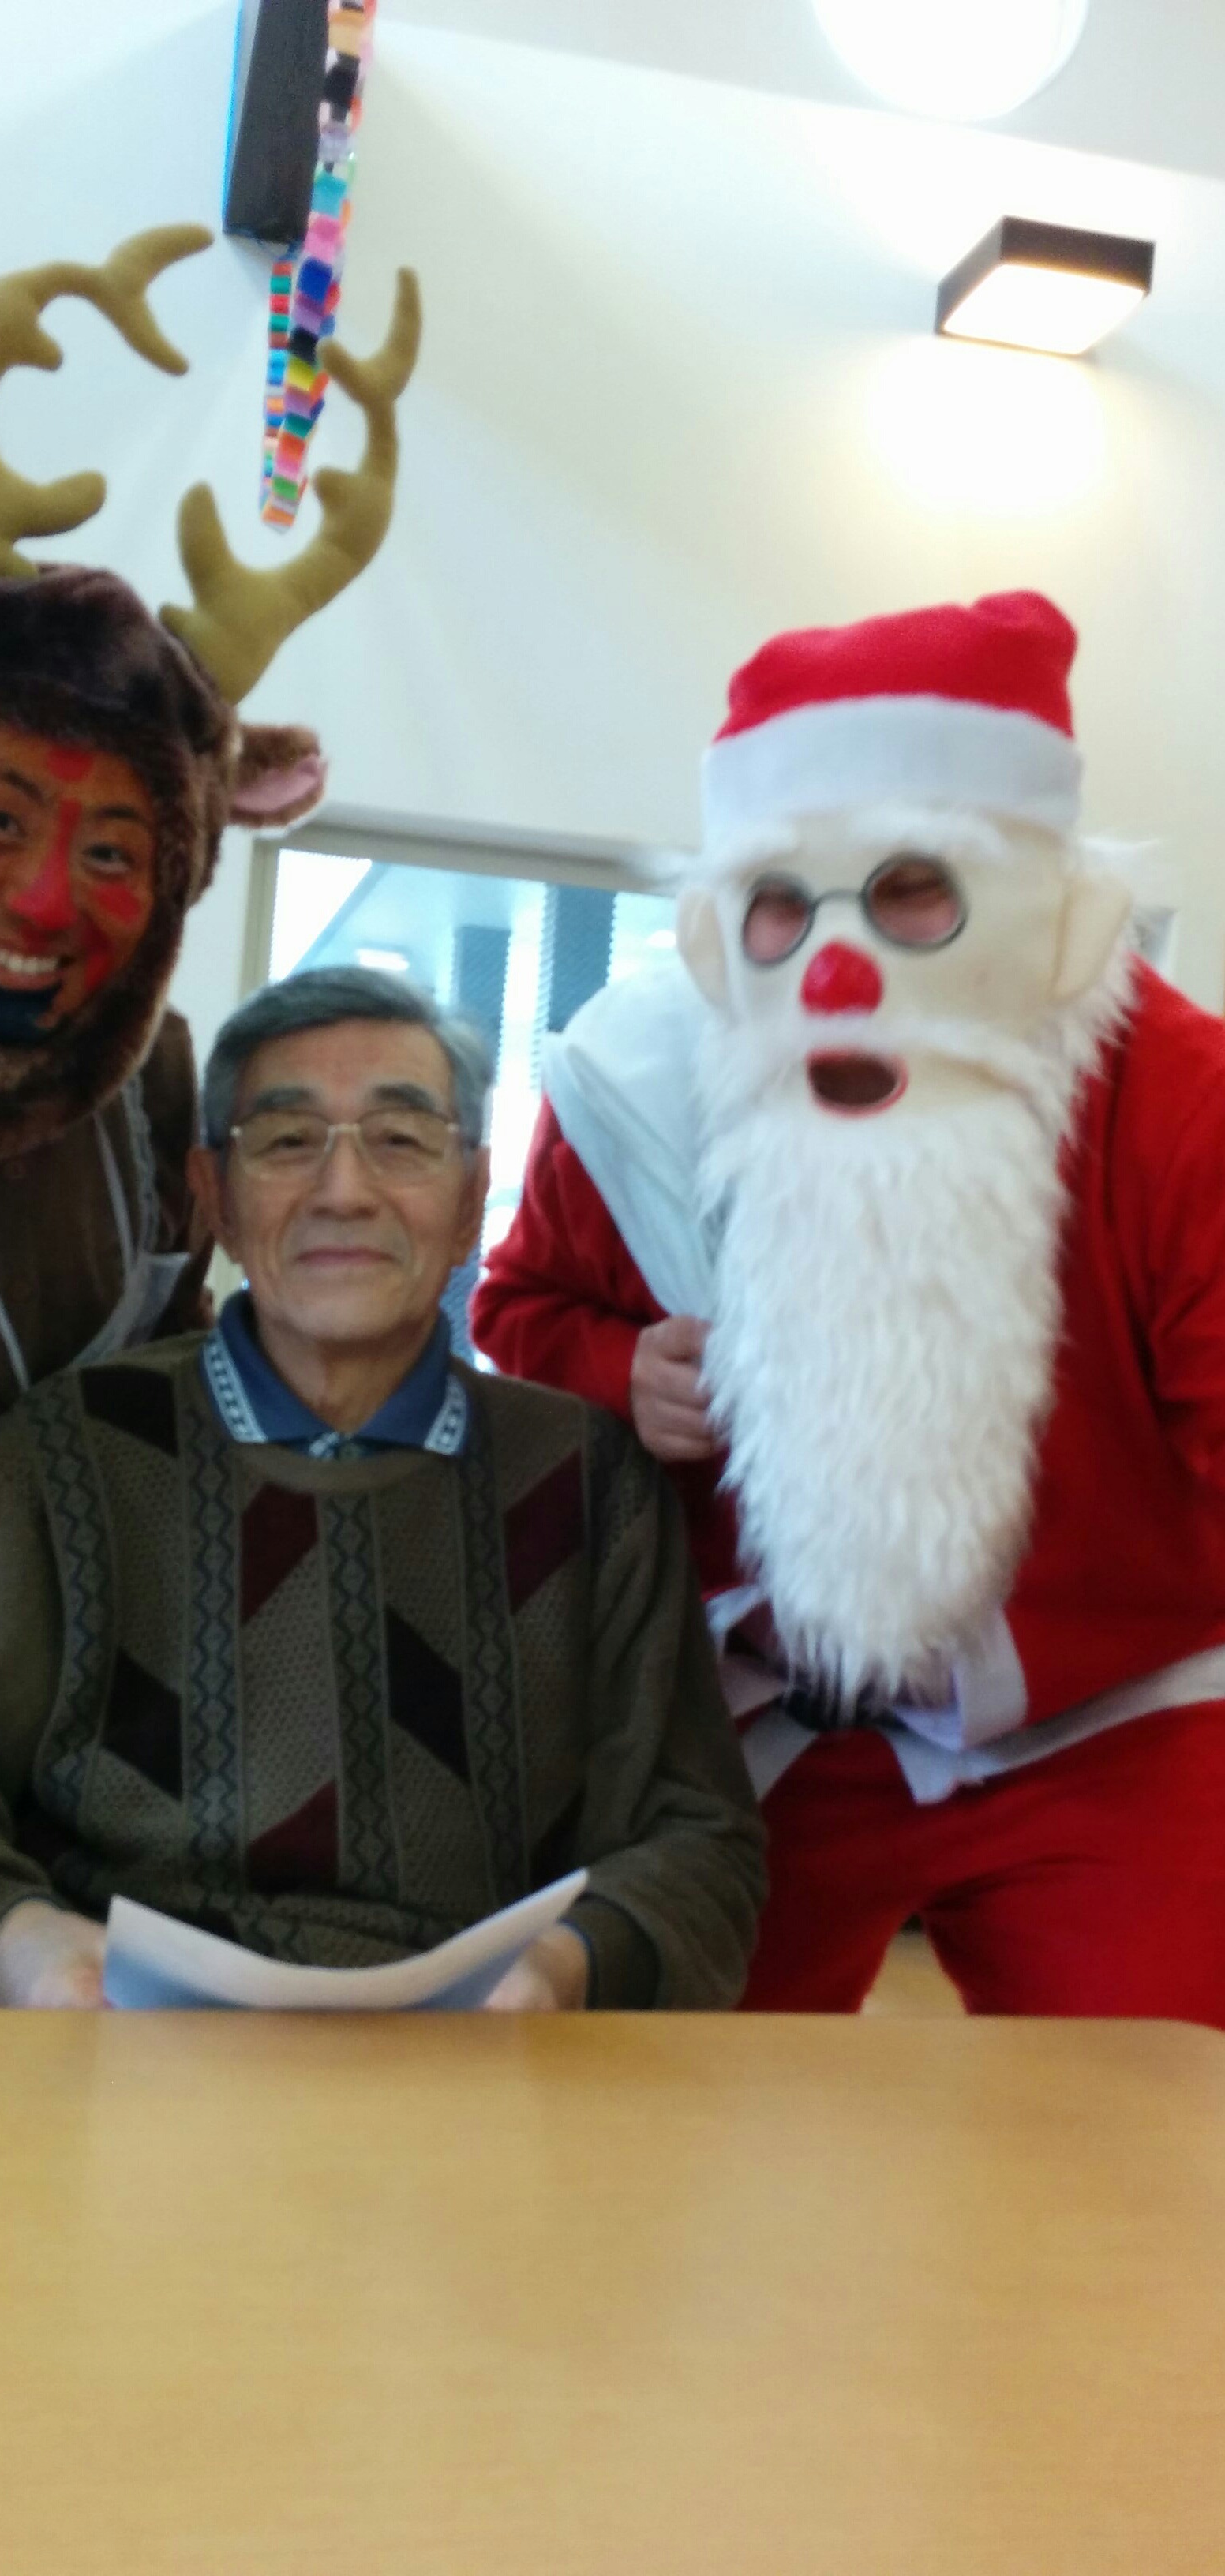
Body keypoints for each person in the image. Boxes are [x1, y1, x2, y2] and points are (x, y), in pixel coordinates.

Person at [0, 228, 421, 1991]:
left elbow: (173, 1414)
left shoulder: (156, 1110)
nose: (48, 906)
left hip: (27, 1765)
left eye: (120, 853)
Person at [474, 590, 1225, 2026]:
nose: (841, 966)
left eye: (914, 890)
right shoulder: (634, 1093)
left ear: (1049, 917)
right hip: (765, 1729)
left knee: (1167, 2106)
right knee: (650, 2106)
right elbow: (518, 1312)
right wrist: (622, 1369)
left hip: (1106, 1721)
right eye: (783, 904)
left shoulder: (1183, 1102)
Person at [0, 968, 765, 2009]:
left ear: (473, 1201)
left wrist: (559, 1971)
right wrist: (26, 1954)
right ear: (214, 1198)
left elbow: (699, 1842)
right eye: (288, 1141)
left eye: (401, 1138)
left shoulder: (590, 1483)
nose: (345, 1192)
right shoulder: (75, 1455)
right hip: (110, 2047)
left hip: (485, 2062)